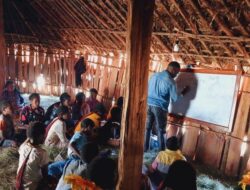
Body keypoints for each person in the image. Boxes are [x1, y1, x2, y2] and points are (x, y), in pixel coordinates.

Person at [144, 61, 189, 151]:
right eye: (177, 72)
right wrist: (183, 92)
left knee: (147, 128)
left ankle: (145, 149)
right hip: (160, 107)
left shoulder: (154, 75)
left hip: (148, 104)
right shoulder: (171, 81)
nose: (176, 75)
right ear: (172, 69)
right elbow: (175, 99)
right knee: (161, 130)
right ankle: (162, 152)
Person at [16, 122, 49, 190]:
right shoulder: (42, 153)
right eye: (44, 135)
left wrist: (30, 137)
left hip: (19, 183)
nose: (45, 137)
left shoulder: (23, 147)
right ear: (40, 136)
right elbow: (45, 173)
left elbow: (25, 144)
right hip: (32, 186)